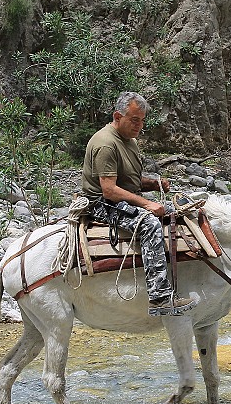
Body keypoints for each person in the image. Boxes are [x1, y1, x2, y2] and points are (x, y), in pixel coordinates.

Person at [81, 91, 195, 316]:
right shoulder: (105, 144)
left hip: (117, 196)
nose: (139, 126)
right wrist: (147, 205)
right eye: (134, 120)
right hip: (101, 204)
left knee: (179, 211)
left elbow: (128, 181)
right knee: (149, 224)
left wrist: (154, 185)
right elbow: (109, 189)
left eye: (142, 121)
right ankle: (159, 297)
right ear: (117, 116)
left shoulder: (129, 141)